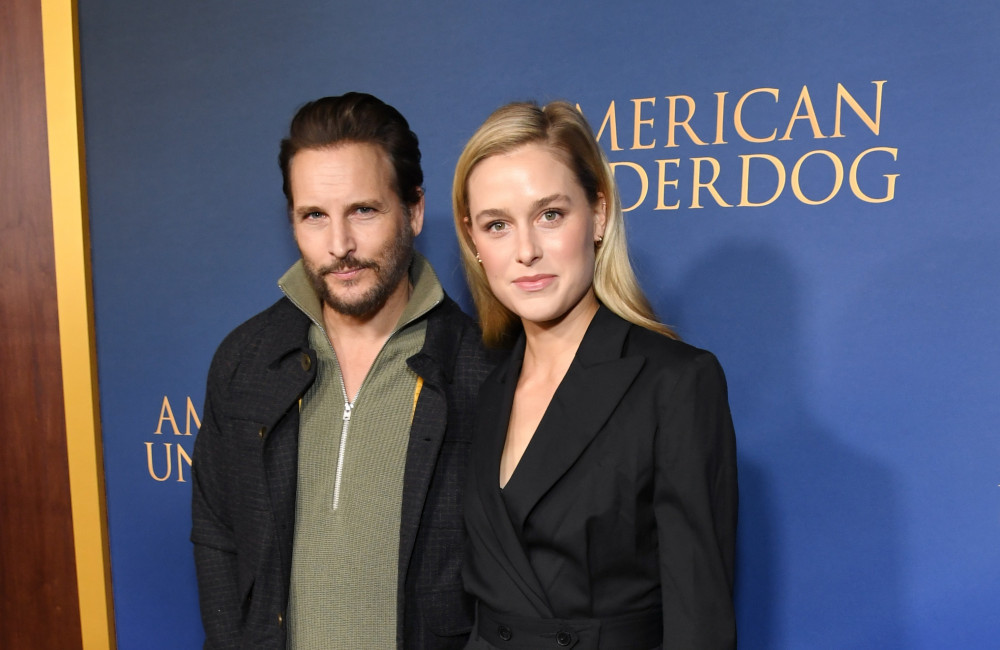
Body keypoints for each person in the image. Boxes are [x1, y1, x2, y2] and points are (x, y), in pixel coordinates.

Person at [191, 92, 494, 649]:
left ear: (415, 209)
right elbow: (217, 536)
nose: (340, 246)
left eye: (364, 210)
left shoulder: (483, 370)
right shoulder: (245, 360)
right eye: (314, 216)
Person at [451, 101, 738, 649]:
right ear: (475, 243)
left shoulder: (675, 383)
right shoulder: (489, 389)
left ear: (599, 215)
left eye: (550, 215)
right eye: (497, 225)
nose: (526, 251)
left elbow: (699, 621)